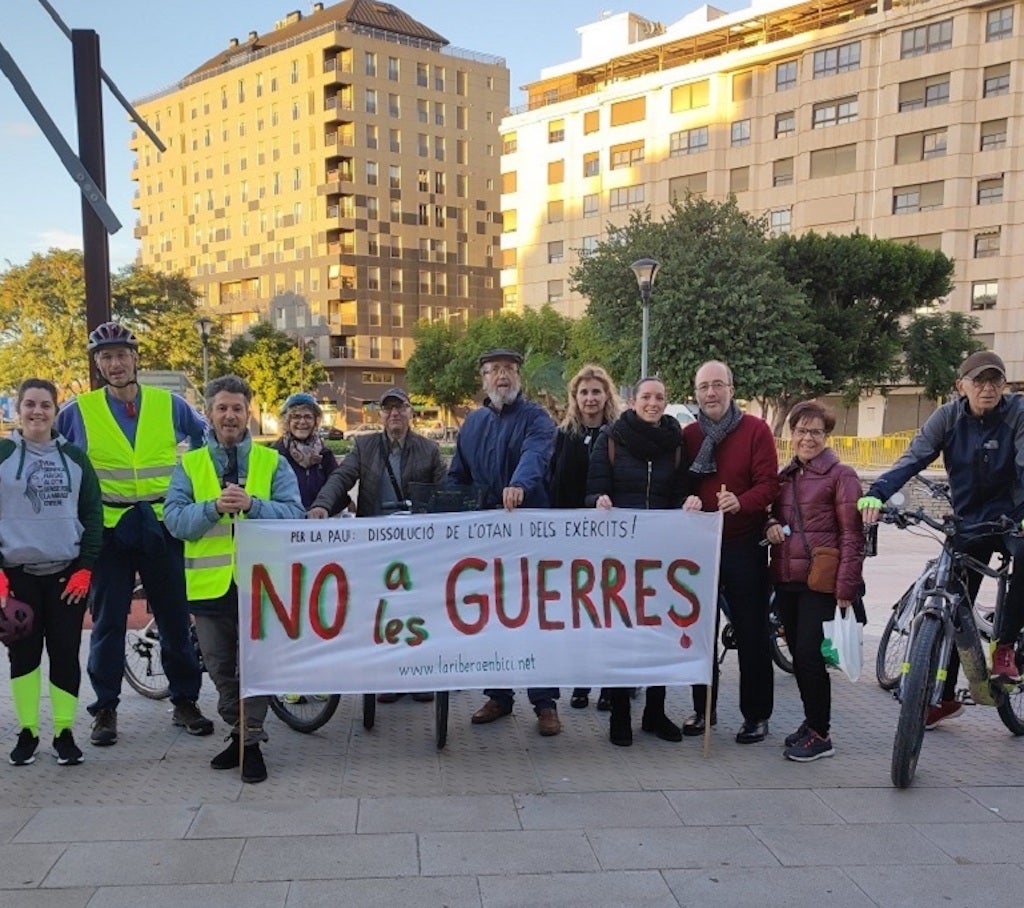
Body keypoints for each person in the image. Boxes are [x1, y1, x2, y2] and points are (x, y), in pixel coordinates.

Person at [56, 322, 211, 746]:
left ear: (135, 358)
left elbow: (207, 440)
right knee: (107, 623)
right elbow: (51, 457)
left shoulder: (170, 405)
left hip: (162, 524)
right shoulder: (77, 411)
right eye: (106, 357)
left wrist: (196, 489)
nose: (115, 363)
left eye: (122, 354)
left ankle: (184, 701)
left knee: (176, 618)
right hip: (108, 529)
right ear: (98, 364)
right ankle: (105, 709)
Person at [859, 350, 1024, 727]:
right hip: (968, 522)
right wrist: (878, 493)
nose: (987, 388)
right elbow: (913, 458)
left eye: (995, 380)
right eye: (979, 381)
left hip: (1013, 518)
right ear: (960, 386)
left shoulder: (1017, 413)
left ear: (1004, 385)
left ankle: (1006, 647)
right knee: (954, 601)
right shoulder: (947, 417)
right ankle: (944, 696)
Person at [164, 375, 304, 783]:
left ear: (249, 413)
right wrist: (211, 507)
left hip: (261, 586)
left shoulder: (272, 462)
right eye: (222, 408)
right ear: (209, 412)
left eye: (237, 408)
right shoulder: (189, 465)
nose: (229, 416)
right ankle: (240, 732)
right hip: (210, 588)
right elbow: (174, 521)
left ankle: (251, 743)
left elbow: (294, 514)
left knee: (256, 666)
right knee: (221, 668)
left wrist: (254, 505)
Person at [447, 348, 561, 736]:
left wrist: (519, 484)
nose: (502, 376)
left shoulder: (536, 418)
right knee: (490, 616)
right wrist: (441, 506)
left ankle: (545, 703)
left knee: (534, 617)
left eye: (509, 370)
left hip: (527, 534)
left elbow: (536, 455)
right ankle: (498, 694)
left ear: (519, 378)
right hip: (485, 540)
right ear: (483, 380)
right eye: (494, 370)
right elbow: (457, 475)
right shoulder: (472, 424)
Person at [309, 386, 445, 704]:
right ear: (380, 414)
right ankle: (389, 675)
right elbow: (341, 478)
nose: (395, 413)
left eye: (401, 408)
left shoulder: (428, 450)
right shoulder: (365, 446)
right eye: (388, 409)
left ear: (411, 412)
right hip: (376, 541)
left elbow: (445, 490)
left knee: (419, 607)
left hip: (417, 541)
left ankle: (421, 674)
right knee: (383, 610)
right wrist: (322, 505)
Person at [0, 379, 103, 766]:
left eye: (45, 405)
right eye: (30, 404)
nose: (37, 411)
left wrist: (86, 567)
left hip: (65, 577)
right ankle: (27, 731)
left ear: (56, 411)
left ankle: (64, 731)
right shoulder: (3, 453)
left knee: (64, 653)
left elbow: (92, 514)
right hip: (18, 576)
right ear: (18, 409)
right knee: (22, 656)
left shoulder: (75, 457)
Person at [585, 376, 692, 746]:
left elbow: (681, 492)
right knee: (622, 635)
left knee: (660, 633)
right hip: (620, 556)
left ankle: (655, 712)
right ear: (633, 400)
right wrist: (598, 499)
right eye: (646, 396)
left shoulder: (676, 443)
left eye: (659, 397)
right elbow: (593, 489)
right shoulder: (612, 438)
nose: (652, 403)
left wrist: (689, 503)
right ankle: (620, 713)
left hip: (661, 556)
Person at [682, 360, 779, 743]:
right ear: (696, 392)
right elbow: (680, 484)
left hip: (742, 545)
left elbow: (769, 485)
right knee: (700, 633)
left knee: (753, 633)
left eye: (717, 385)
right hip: (700, 548)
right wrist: (686, 500)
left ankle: (756, 715)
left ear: (731, 389)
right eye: (704, 386)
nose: (710, 393)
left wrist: (742, 502)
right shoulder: (688, 435)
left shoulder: (755, 431)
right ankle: (703, 709)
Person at [765, 401, 864, 761]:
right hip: (788, 577)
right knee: (798, 651)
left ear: (827, 436)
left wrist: (846, 588)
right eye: (801, 431)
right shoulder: (786, 476)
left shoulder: (842, 475)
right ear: (791, 434)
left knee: (808, 656)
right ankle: (811, 723)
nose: (807, 438)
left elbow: (853, 535)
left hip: (820, 581)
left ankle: (821, 733)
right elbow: (771, 515)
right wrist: (769, 525)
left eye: (816, 432)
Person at [550, 364, 623, 712]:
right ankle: (581, 680)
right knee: (579, 614)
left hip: (609, 539)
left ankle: (611, 683)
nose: (590, 398)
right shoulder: (564, 435)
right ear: (575, 398)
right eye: (584, 392)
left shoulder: (620, 434)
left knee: (607, 613)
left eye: (596, 391)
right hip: (571, 540)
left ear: (607, 395)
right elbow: (553, 482)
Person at [272, 393, 340, 510]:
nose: (302, 422)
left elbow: (336, 488)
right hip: (286, 523)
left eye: (308, 417)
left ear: (315, 422)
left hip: (319, 522)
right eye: (296, 417)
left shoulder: (325, 455)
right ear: (287, 421)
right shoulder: (275, 454)